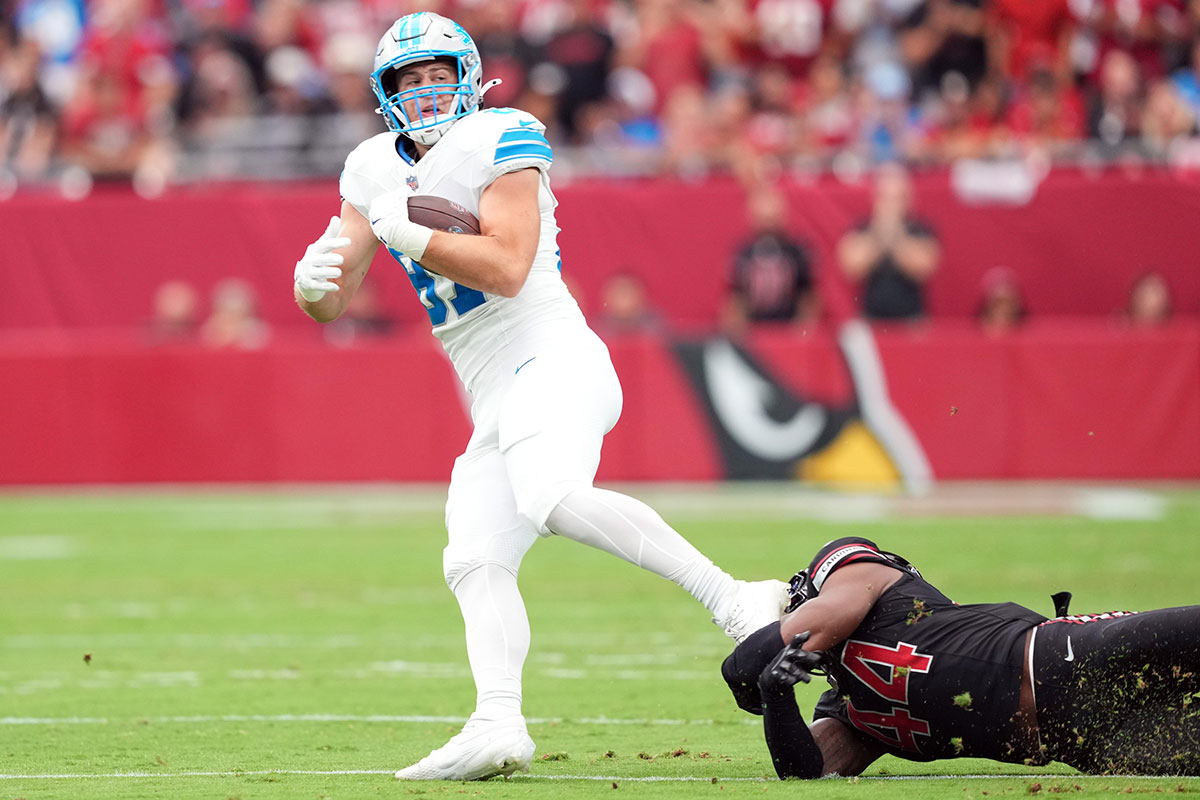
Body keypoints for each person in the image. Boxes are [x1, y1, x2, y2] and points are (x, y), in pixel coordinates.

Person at [289, 12, 788, 782]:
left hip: (553, 358)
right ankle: (498, 721)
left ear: (469, 74)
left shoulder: (502, 134)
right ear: (386, 93)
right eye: (409, 80)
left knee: (550, 496)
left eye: (437, 74)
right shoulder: (370, 168)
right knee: (474, 555)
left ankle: (737, 601)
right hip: (493, 393)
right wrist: (312, 285)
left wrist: (411, 235)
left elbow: (511, 266)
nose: (426, 93)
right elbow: (339, 287)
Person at [722, 536, 1200, 779]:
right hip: (1081, 742)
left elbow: (752, 660)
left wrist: (751, 666)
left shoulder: (862, 578)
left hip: (1067, 656)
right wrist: (775, 693)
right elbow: (807, 770)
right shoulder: (850, 709)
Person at [837, 163, 941, 321]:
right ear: (875, 197)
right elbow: (853, 268)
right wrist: (879, 231)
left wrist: (897, 234)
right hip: (871, 319)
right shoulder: (861, 228)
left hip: (911, 320)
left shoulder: (921, 230)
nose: (892, 204)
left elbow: (923, 268)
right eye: (886, 197)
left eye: (898, 197)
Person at [721, 184, 818, 335]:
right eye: (764, 219)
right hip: (754, 333)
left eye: (771, 219)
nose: (768, 224)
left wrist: (802, 332)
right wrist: (738, 334)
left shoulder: (797, 251)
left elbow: (809, 297)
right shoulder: (743, 253)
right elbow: (735, 300)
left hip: (788, 331)